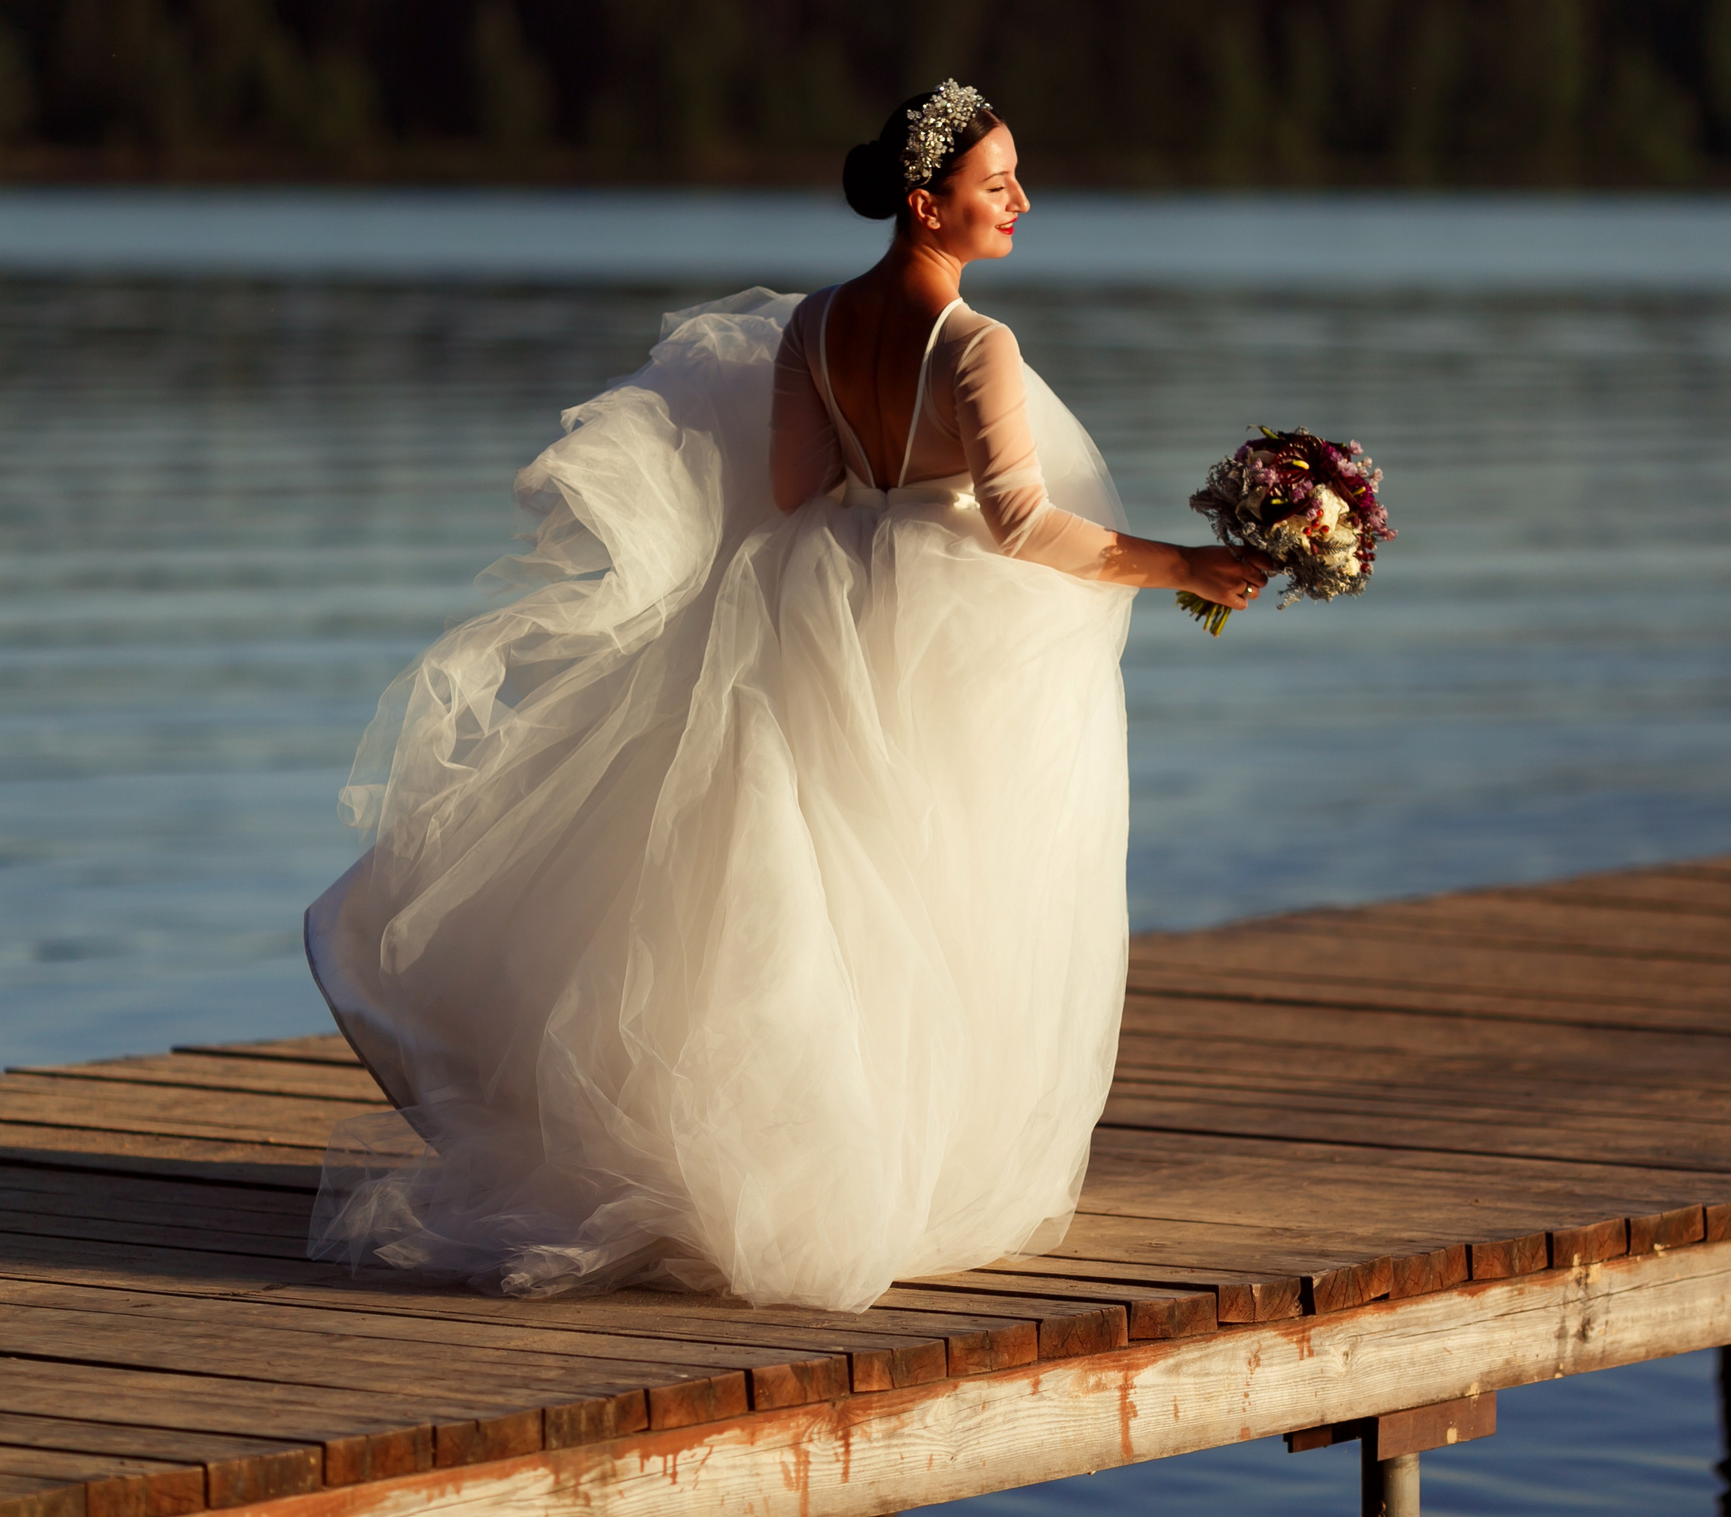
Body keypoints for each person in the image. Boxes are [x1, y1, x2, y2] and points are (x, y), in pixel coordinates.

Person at [303, 80, 1269, 1312]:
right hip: (948, 630)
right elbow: (1019, 523)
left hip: (830, 600)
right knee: (940, 885)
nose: (1021, 201)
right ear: (927, 205)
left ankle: (794, 1153)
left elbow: (797, 488)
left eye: (1018, 176)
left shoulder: (812, 325)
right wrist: (1178, 564)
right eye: (996, 184)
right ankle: (894, 1174)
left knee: (823, 881)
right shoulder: (977, 346)